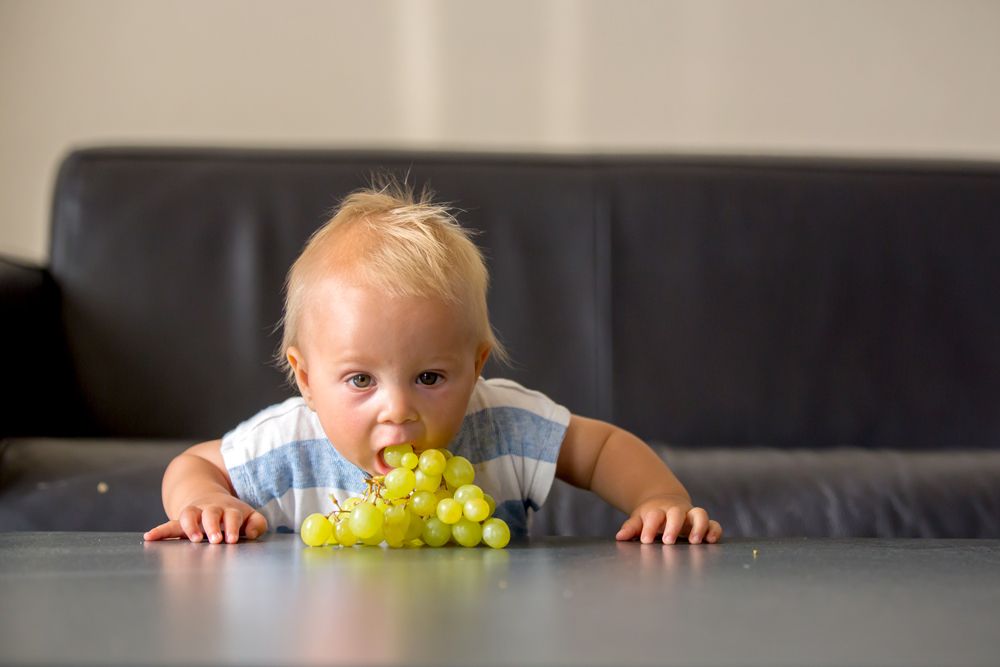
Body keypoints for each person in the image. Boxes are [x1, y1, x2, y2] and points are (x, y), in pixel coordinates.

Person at [144, 180, 722, 546]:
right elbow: (195, 464)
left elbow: (601, 450)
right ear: (306, 379)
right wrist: (204, 501)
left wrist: (659, 500)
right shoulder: (292, 445)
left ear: (476, 367)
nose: (398, 408)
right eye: (360, 379)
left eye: (429, 377)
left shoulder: (501, 426)